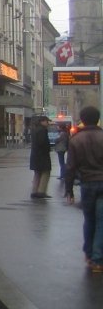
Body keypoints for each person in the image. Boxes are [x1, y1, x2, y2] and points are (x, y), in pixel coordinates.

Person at [64, 106, 103, 272]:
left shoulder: (76, 140)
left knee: (89, 219)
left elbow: (71, 167)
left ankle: (88, 254)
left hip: (87, 183)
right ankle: (97, 259)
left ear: (83, 119)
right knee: (102, 221)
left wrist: (69, 190)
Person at [28, 115, 52, 199]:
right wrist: (48, 148)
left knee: (37, 173)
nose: (48, 123)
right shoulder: (42, 130)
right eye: (46, 121)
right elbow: (43, 143)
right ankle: (41, 191)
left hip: (35, 155)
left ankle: (34, 191)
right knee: (45, 172)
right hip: (42, 155)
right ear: (42, 121)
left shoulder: (34, 129)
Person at [55, 125, 71, 201]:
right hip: (63, 148)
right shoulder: (65, 133)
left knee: (61, 162)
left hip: (61, 149)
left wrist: (56, 139)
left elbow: (58, 140)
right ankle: (62, 174)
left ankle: (63, 174)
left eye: (58, 127)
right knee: (61, 162)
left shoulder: (62, 133)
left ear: (61, 128)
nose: (57, 128)